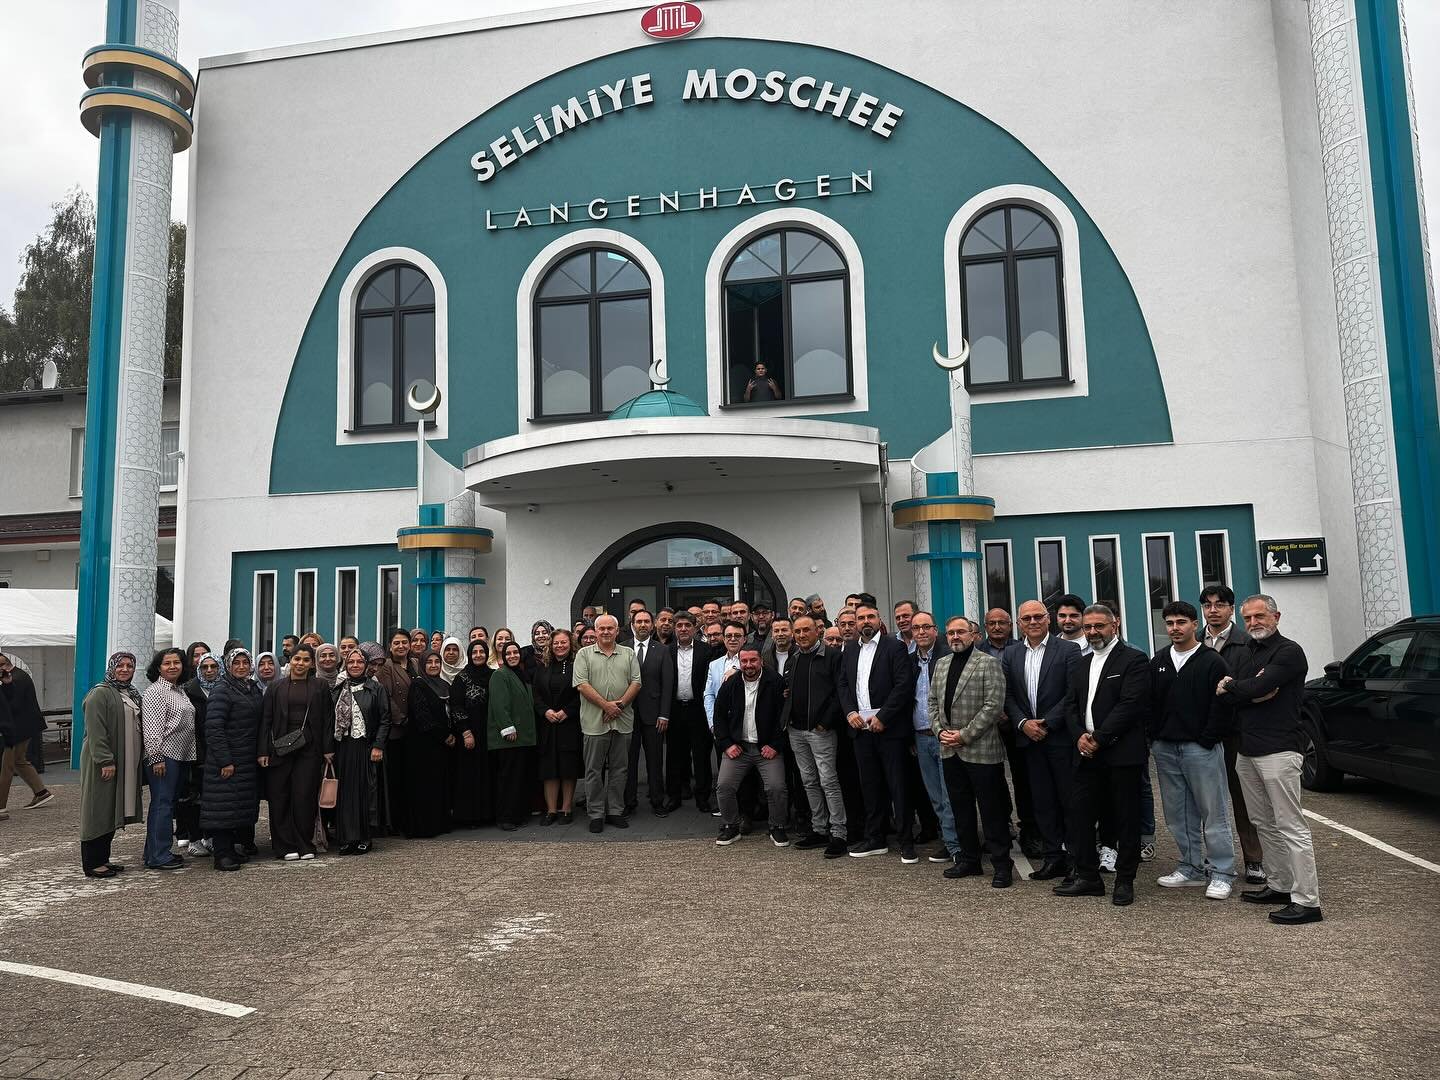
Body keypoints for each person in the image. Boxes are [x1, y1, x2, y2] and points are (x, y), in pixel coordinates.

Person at [1217, 595, 1322, 925]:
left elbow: (1257, 686)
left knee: (1291, 826)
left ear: (1276, 616)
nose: (1253, 623)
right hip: (1246, 750)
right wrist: (1245, 689)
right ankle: (1279, 886)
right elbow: (1243, 691)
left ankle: (1307, 902)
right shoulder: (1249, 652)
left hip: (1279, 749)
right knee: (1262, 823)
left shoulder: (1288, 651)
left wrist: (1239, 688)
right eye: (1247, 618)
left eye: (1260, 616)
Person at [1054, 605, 1150, 906]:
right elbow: (1070, 706)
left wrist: (1099, 738)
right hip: (1085, 754)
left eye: (1099, 626)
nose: (1093, 632)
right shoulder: (1081, 664)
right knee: (1080, 815)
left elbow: (1130, 705)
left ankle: (1124, 880)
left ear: (1115, 624)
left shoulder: (1134, 659)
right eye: (1089, 627)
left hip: (1121, 753)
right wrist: (1079, 736)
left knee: (1125, 818)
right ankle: (1088, 877)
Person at [1149, 601, 1237, 900]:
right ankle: (1191, 868)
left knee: (1214, 813)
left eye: (1181, 622)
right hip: (1166, 748)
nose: (1175, 628)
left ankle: (1222, 872)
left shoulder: (1212, 661)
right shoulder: (1159, 660)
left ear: (1194, 624)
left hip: (1201, 749)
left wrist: (1208, 739)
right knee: (1178, 814)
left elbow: (1223, 704)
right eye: (1170, 623)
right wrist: (1155, 737)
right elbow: (1150, 703)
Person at [1001, 601, 1082, 879]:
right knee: (1042, 802)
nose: (1033, 622)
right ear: (1019, 623)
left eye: (1038, 617)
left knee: (1068, 801)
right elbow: (1008, 695)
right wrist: (1023, 724)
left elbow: (1073, 693)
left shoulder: (1069, 650)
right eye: (1027, 618)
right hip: (1029, 740)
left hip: (1058, 737)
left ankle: (1075, 859)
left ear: (1048, 620)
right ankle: (1053, 857)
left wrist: (1046, 722)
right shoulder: (1011, 654)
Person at [929, 622, 1012, 886]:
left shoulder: (988, 663)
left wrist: (964, 735)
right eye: (951, 633)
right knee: (960, 808)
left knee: (992, 810)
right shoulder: (941, 664)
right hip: (949, 749)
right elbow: (932, 702)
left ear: (974, 635)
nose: (955, 637)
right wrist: (939, 731)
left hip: (980, 749)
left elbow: (993, 705)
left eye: (960, 632)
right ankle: (969, 860)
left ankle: (1001, 865)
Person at [1199, 585, 1266, 885]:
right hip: (1202, 734)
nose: (1213, 610)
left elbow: (1253, 687)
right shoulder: (1195, 641)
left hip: (1237, 734)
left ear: (1230, 608)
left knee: (1244, 799)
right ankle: (1213, 857)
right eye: (1208, 605)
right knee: (1207, 802)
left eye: (1219, 604)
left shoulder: (1247, 643)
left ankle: (1254, 860)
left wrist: (1229, 691)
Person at [840, 603, 917, 861]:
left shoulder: (894, 647)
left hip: (889, 729)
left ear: (879, 619)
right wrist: (850, 712)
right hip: (861, 730)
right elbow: (843, 684)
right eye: (860, 618)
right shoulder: (850, 649)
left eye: (870, 616)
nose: (865, 621)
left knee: (898, 786)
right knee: (870, 786)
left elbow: (903, 686)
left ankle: (907, 842)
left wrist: (884, 716)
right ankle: (876, 838)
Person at [259, 644, 332, 860]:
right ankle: (284, 845)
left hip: (309, 749)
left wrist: (328, 749)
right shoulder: (276, 687)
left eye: (306, 660)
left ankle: (305, 843)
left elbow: (328, 719)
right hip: (279, 749)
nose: (301, 664)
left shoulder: (319, 686)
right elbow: (266, 721)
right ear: (290, 661)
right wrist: (262, 751)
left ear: (312, 663)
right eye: (297, 659)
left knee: (304, 796)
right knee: (279, 796)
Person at [783, 615, 848, 857]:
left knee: (828, 781)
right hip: (796, 730)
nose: (801, 635)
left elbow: (839, 691)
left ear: (817, 631)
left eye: (806, 630)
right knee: (809, 781)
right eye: (797, 631)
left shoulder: (832, 657)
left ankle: (839, 832)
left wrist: (825, 722)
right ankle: (819, 829)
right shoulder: (794, 658)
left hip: (821, 731)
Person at [713, 645, 789, 846]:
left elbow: (783, 718)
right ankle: (731, 825)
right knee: (724, 786)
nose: (749, 665)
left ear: (761, 661)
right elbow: (719, 717)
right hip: (739, 748)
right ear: (739, 662)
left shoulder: (775, 682)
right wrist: (727, 744)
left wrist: (775, 745)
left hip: (767, 749)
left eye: (753, 661)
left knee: (776, 787)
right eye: (744, 661)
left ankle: (777, 826)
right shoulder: (730, 684)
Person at [77, 652, 145, 877]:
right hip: (103, 762)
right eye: (121, 666)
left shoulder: (129, 693)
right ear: (112, 668)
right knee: (97, 809)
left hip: (123, 761)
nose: (125, 669)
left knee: (110, 809)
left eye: (130, 666)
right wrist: (105, 760)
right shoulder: (100, 693)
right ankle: (92, 863)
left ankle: (103, 858)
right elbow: (96, 731)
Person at [573, 614, 640, 833]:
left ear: (617, 630)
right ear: (596, 630)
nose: (605, 632)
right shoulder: (583, 654)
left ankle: (615, 811)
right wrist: (606, 706)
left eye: (610, 628)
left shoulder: (628, 654)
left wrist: (617, 708)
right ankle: (596, 814)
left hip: (622, 721)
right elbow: (582, 685)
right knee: (593, 770)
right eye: (601, 628)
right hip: (594, 722)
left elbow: (636, 683)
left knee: (620, 769)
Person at [908, 612, 962, 866]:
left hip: (945, 736)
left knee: (950, 793)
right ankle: (949, 839)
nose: (920, 632)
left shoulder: (948, 657)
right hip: (920, 736)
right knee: (936, 796)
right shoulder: (909, 661)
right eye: (916, 628)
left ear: (935, 629)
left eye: (926, 627)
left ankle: (955, 845)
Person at [203, 648, 264, 871]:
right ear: (227, 666)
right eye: (236, 662)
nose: (241, 666)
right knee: (223, 807)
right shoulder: (222, 690)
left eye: (245, 662)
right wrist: (225, 760)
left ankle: (233, 849)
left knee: (237, 806)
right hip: (227, 760)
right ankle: (222, 854)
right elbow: (214, 728)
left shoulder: (251, 688)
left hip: (247, 759)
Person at [330, 646, 390, 855]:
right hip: (343, 747)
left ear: (366, 665)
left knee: (365, 792)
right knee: (345, 793)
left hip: (366, 747)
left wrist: (378, 745)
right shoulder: (337, 687)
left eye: (360, 662)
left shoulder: (375, 688)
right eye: (351, 662)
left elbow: (385, 719)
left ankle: (364, 836)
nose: (355, 665)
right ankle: (346, 838)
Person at [140, 648, 196, 870]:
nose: (173, 666)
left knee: (166, 805)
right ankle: (159, 856)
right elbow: (152, 729)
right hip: (164, 757)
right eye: (167, 663)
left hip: (179, 756)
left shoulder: (178, 691)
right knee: (162, 805)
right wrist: (156, 757)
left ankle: (154, 851)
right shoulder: (156, 692)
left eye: (177, 662)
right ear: (158, 667)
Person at [626, 609, 674, 817]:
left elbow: (668, 684)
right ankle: (629, 802)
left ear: (652, 624)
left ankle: (657, 801)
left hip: (654, 715)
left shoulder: (662, 650)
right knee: (628, 761)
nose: (643, 625)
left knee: (655, 761)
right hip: (626, 714)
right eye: (639, 621)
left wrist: (664, 714)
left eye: (646, 621)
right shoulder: (622, 648)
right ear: (632, 624)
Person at [404, 651, 455, 838]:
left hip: (440, 747)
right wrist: (444, 736)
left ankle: (439, 823)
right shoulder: (418, 684)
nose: (434, 665)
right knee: (424, 786)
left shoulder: (444, 685)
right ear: (423, 665)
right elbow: (422, 715)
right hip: (423, 746)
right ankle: (425, 827)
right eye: (430, 662)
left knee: (439, 785)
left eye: (437, 662)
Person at [534, 628, 582, 824]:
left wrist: (566, 711)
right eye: (556, 643)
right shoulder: (543, 666)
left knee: (567, 768)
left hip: (568, 723)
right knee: (549, 769)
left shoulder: (577, 664)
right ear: (550, 646)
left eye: (563, 642)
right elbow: (535, 694)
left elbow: (581, 692)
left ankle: (566, 809)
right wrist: (545, 711)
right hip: (547, 724)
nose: (560, 646)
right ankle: (551, 810)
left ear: (570, 644)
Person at [667, 612, 713, 812]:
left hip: (698, 709)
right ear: (674, 628)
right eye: (679, 625)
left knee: (701, 755)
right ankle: (674, 796)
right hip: (675, 709)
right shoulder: (665, 651)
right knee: (674, 755)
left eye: (687, 625)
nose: (683, 629)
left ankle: (703, 797)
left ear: (694, 628)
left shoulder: (706, 651)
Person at [489, 642, 538, 830]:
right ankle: (505, 817)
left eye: (515, 652)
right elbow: (499, 704)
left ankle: (518, 814)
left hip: (523, 738)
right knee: (508, 779)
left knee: (520, 778)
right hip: (508, 739)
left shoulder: (522, 675)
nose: (512, 656)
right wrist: (507, 727)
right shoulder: (499, 675)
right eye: (508, 653)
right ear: (503, 656)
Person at [177, 652, 219, 857]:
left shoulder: (224, 689)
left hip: (217, 752)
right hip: (194, 752)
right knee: (194, 798)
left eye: (213, 667)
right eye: (205, 667)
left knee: (213, 798)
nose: (209, 671)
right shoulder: (188, 691)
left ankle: (209, 836)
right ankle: (194, 838)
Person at [0, 653, 53, 815]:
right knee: (19, 761)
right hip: (25, 727)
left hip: (18, 730)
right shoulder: (19, 675)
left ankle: (1, 806)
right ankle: (41, 792)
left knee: (6, 767)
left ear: (4, 666)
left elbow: (12, 706)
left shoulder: (16, 679)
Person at [373, 628, 414, 834]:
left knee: (411, 778)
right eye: (396, 643)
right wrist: (402, 719)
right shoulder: (386, 668)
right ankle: (396, 822)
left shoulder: (415, 664)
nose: (401, 646)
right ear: (390, 646)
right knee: (395, 779)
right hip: (397, 730)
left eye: (404, 642)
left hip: (416, 730)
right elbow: (386, 698)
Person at [450, 640, 493, 828]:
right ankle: (469, 817)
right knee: (470, 775)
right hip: (469, 733)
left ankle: (487, 814)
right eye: (474, 652)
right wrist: (466, 732)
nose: (478, 655)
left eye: (481, 651)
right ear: (469, 654)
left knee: (488, 773)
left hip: (489, 732)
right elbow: (456, 706)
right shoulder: (462, 678)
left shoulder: (493, 676)